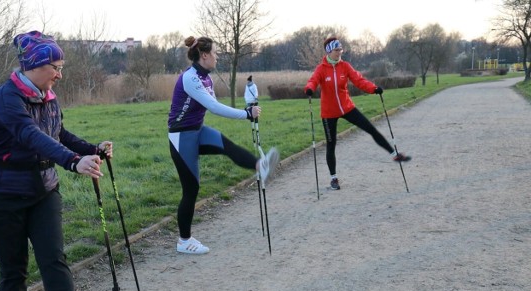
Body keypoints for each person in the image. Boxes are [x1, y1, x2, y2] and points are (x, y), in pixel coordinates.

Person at [0, 30, 110, 291]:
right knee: (14, 270)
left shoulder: (48, 96)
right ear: (35, 65)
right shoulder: (7, 97)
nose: (60, 74)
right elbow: (30, 135)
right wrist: (72, 161)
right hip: (1, 198)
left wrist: (92, 150)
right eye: (56, 66)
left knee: (54, 259)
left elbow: (58, 133)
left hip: (43, 192)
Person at [168, 36, 279, 255]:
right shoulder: (190, 78)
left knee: (226, 145)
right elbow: (214, 107)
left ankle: (260, 166)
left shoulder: (206, 78)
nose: (218, 56)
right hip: (181, 138)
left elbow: (212, 106)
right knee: (191, 189)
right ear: (204, 55)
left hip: (197, 132)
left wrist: (246, 112)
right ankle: (184, 241)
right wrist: (246, 114)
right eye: (216, 53)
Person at [304, 36, 411, 190]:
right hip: (329, 113)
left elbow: (359, 80)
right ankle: (333, 178)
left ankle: (394, 153)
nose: (340, 52)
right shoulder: (321, 69)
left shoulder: (345, 66)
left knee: (370, 128)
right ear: (329, 51)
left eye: (340, 49)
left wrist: (374, 88)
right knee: (331, 144)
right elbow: (313, 81)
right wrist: (309, 89)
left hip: (347, 108)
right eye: (336, 50)